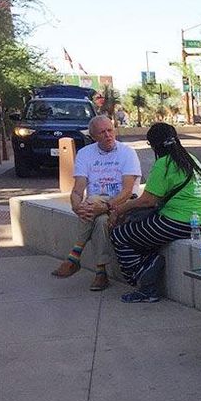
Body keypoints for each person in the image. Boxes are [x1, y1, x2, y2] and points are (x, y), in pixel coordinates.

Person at [108, 122, 201, 303]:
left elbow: (148, 200)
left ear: (154, 145)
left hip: (178, 222)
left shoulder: (164, 163)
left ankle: (145, 282)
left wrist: (119, 209)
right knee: (142, 231)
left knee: (120, 234)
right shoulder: (190, 159)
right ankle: (149, 264)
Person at [51, 115, 140, 291]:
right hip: (95, 207)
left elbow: (127, 191)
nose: (108, 135)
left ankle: (74, 256)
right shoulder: (85, 154)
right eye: (102, 132)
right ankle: (100, 273)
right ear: (93, 136)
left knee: (92, 202)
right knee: (100, 221)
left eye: (110, 130)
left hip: (122, 203)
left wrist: (105, 206)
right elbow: (77, 190)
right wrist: (77, 207)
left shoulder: (127, 153)